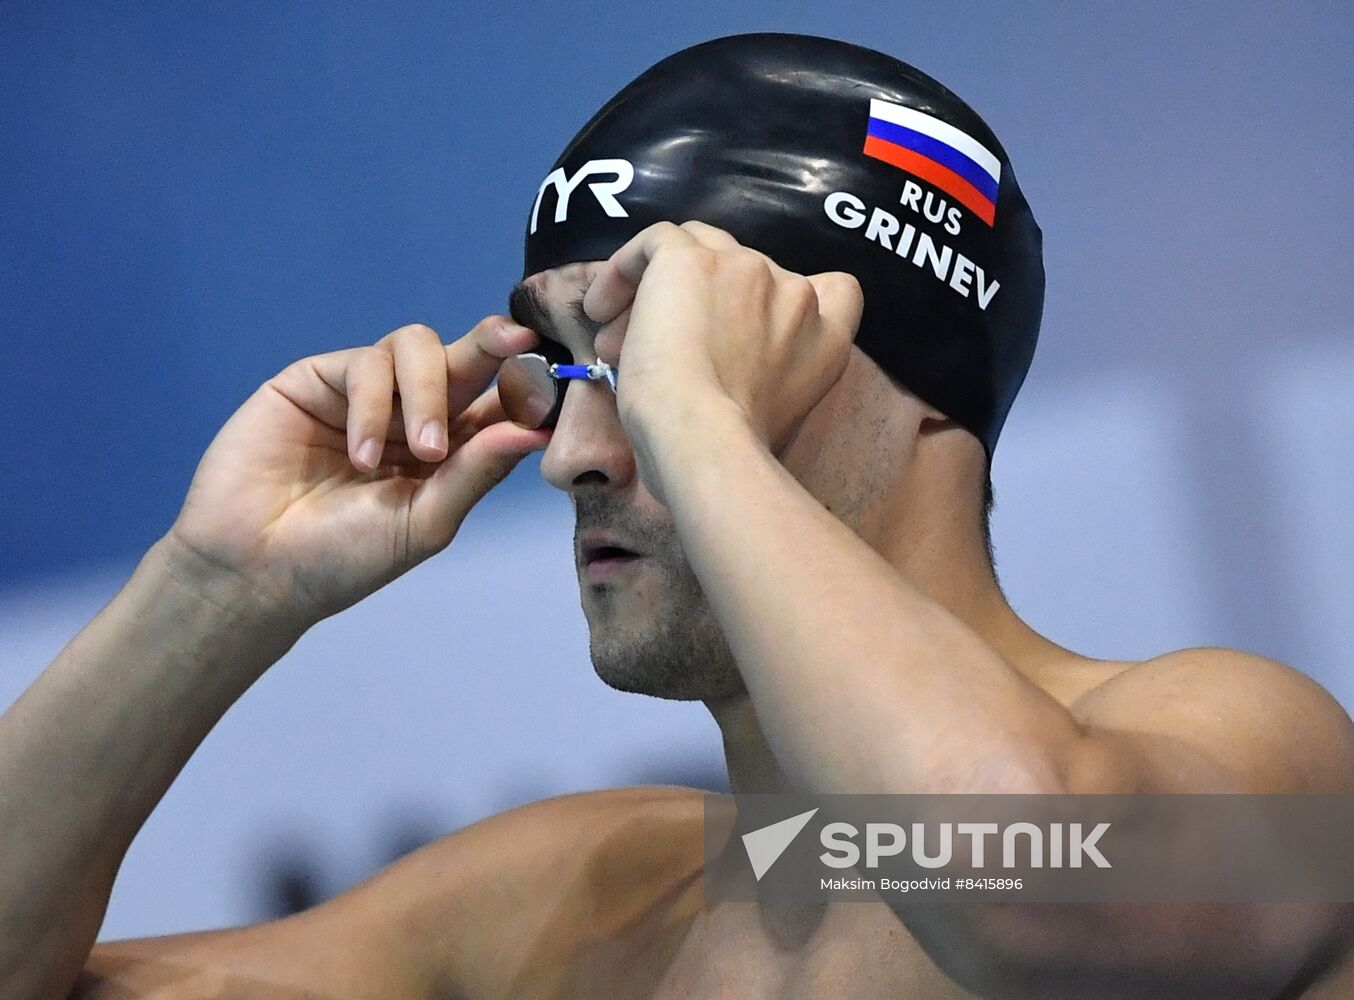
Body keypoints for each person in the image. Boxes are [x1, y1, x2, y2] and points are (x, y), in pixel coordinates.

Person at [3, 32, 1352, 1000]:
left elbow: (1027, 897)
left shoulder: (1266, 758)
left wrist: (701, 433)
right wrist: (209, 593)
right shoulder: (573, 904)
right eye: (576, 363)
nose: (577, 452)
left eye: (654, 360)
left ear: (926, 389)